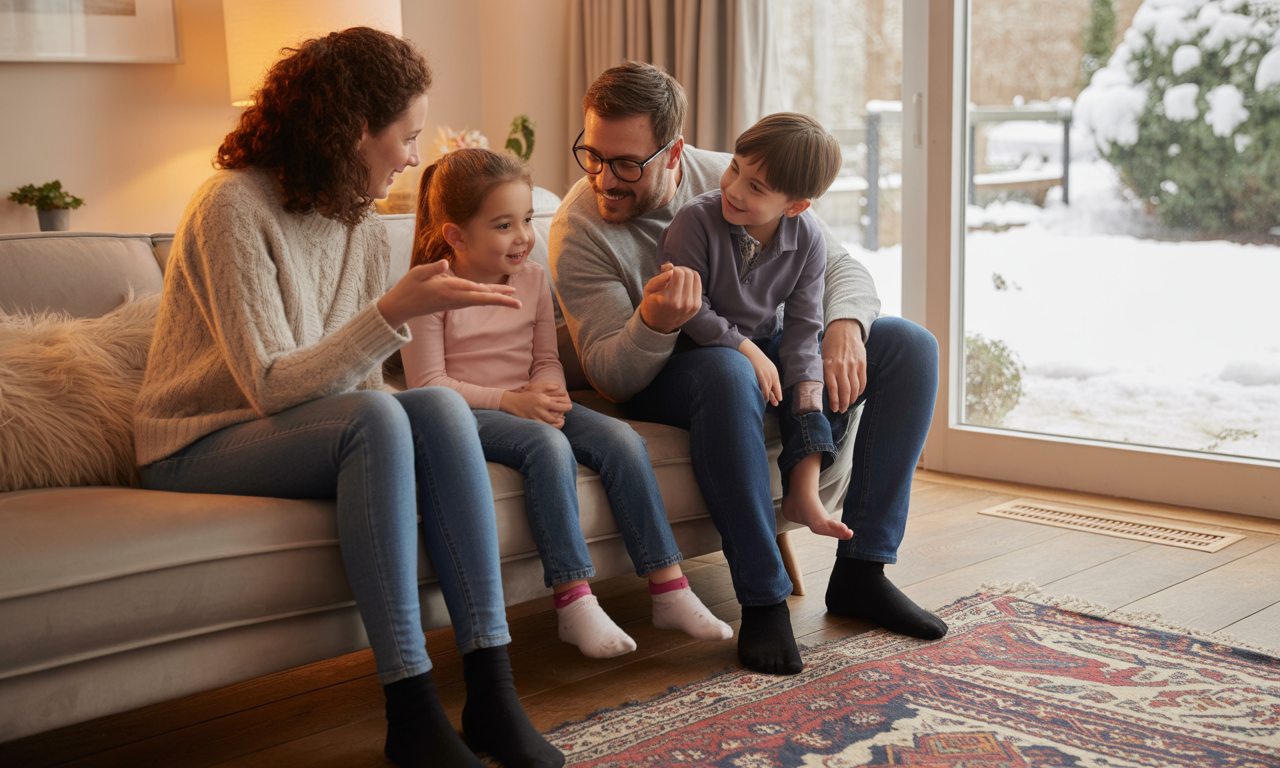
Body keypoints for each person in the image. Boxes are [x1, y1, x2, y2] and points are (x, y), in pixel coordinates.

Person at [133, 28, 563, 768]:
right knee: (376, 416)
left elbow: (358, 381)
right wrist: (395, 312)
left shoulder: (354, 220)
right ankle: (412, 708)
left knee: (430, 407)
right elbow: (270, 385)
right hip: (196, 442)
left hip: (298, 427)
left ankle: (493, 692)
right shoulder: (231, 207)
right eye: (407, 136)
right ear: (357, 129)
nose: (410, 157)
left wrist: (394, 336)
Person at [550, 61, 947, 678]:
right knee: (724, 372)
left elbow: (837, 268)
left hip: (763, 355)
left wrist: (844, 326)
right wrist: (654, 321)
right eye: (593, 156)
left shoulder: (734, 176)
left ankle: (864, 572)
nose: (606, 178)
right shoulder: (579, 230)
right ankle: (762, 598)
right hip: (675, 376)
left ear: (674, 151)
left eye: (628, 162)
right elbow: (610, 375)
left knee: (909, 345)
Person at [399, 148, 733, 661]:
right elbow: (428, 385)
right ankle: (573, 601)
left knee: (622, 440)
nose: (524, 236)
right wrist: (512, 402)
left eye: (527, 219)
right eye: (504, 225)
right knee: (547, 448)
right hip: (466, 412)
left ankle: (670, 589)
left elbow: (545, 355)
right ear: (456, 236)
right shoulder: (426, 292)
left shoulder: (532, 278)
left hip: (530, 398)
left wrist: (549, 389)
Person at [658, 112, 851, 543]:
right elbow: (691, 310)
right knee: (742, 370)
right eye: (734, 168)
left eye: (755, 186)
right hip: (697, 358)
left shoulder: (808, 238)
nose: (732, 187)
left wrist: (806, 386)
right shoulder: (695, 221)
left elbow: (803, 328)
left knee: (816, 377)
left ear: (795, 205)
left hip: (767, 345)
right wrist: (745, 349)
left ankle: (802, 491)